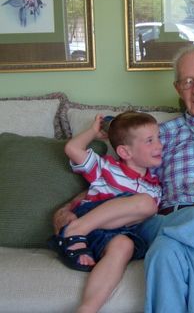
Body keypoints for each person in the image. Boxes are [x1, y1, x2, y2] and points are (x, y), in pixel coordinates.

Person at [52, 45, 194, 313]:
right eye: (187, 82)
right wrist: (67, 210)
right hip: (162, 219)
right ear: (177, 89)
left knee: (168, 248)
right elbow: (115, 182)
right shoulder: (159, 136)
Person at [49, 111, 163, 313]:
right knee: (147, 204)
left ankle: (88, 308)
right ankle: (75, 229)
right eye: (150, 141)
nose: (159, 145)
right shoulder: (106, 167)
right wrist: (92, 132)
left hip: (114, 233)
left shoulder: (155, 187)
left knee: (124, 245)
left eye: (158, 138)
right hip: (89, 217)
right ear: (125, 152)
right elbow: (72, 148)